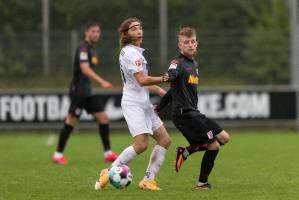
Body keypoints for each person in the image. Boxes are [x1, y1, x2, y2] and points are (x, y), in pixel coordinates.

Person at [95, 18, 171, 191]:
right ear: (125, 34)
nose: (139, 30)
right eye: (133, 28)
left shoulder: (135, 52)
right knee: (141, 144)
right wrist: (164, 78)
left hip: (143, 103)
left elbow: (141, 82)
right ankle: (108, 172)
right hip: (133, 104)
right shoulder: (130, 53)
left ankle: (148, 180)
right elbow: (142, 80)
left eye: (140, 27)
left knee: (164, 140)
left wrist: (160, 91)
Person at [155, 27, 230, 190]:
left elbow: (172, 92)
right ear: (180, 45)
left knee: (224, 138)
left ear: (197, 43)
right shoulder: (177, 63)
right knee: (214, 145)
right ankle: (202, 183)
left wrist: (159, 106)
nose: (190, 45)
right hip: (184, 115)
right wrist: (170, 76)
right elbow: (172, 72)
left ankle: (186, 152)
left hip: (193, 113)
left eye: (192, 41)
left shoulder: (194, 64)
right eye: (186, 42)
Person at [52, 22, 118, 165]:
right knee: (71, 121)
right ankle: (58, 155)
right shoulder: (83, 48)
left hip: (87, 92)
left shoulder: (92, 50)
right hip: (78, 92)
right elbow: (85, 69)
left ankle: (108, 153)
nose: (96, 34)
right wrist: (102, 81)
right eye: (93, 31)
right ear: (87, 32)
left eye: (98, 31)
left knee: (104, 118)